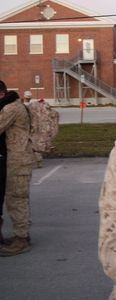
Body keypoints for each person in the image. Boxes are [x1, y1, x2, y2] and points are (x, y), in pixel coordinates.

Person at [0, 81, 34, 256]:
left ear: (1, 95)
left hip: (18, 159)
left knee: (16, 198)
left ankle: (21, 240)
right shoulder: (16, 105)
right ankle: (23, 236)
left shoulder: (10, 109)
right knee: (18, 197)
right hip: (19, 157)